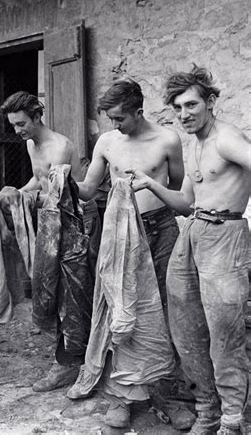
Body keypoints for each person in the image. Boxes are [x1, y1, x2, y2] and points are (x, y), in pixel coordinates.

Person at [128, 66, 250, 435]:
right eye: (178, 108)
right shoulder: (196, 144)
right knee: (186, 330)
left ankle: (232, 420)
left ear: (211, 101)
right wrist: (150, 183)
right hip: (193, 232)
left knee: (224, 333)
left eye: (192, 105)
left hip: (225, 237)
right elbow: (185, 203)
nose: (185, 115)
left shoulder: (227, 139)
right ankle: (207, 411)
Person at [66, 78, 193, 429]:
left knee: (165, 310)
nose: (115, 125)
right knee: (122, 308)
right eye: (110, 119)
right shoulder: (107, 142)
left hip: (161, 231)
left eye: (120, 118)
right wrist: (64, 182)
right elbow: (89, 190)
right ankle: (123, 396)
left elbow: (180, 192)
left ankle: (165, 393)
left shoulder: (168, 140)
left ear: (138, 111)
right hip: (121, 235)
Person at [0, 91, 91, 393]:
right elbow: (37, 183)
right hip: (50, 224)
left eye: (21, 123)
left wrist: (21, 200)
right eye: (13, 125)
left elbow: (58, 197)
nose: (17, 131)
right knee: (48, 289)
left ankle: (70, 363)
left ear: (37, 116)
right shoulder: (30, 144)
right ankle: (67, 359)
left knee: (72, 295)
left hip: (74, 226)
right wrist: (11, 192)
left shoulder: (60, 147)